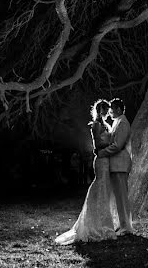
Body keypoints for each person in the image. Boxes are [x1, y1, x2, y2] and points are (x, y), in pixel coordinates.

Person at [54, 100, 118, 245]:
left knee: (105, 188)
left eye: (107, 110)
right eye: (104, 110)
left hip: (107, 158)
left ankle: (104, 221)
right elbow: (96, 144)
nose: (107, 112)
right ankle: (98, 225)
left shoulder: (106, 125)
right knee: (100, 186)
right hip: (101, 159)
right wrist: (110, 145)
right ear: (99, 111)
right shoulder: (95, 125)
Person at [97, 97, 133, 235]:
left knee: (122, 196)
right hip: (115, 165)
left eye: (111, 109)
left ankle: (126, 227)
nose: (110, 112)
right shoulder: (118, 122)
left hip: (120, 165)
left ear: (118, 109)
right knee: (117, 197)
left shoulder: (123, 123)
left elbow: (118, 145)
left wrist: (102, 153)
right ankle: (120, 224)